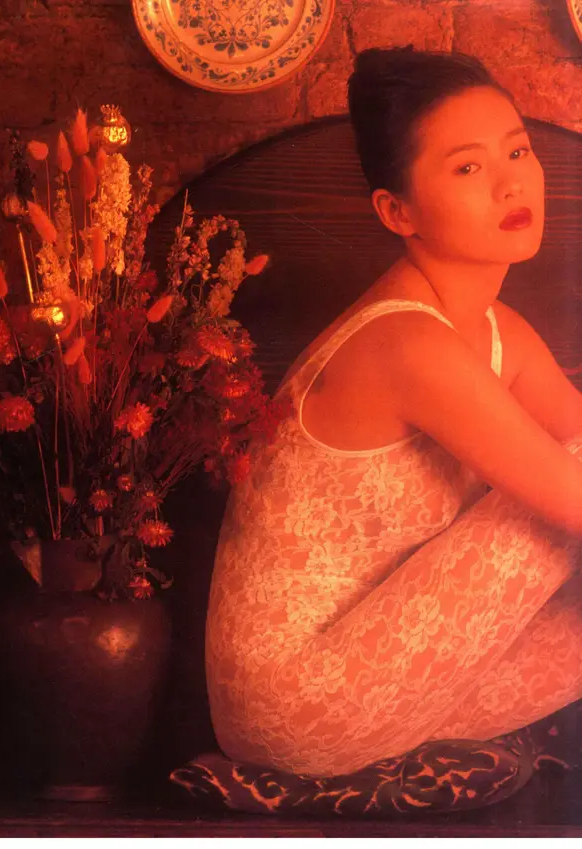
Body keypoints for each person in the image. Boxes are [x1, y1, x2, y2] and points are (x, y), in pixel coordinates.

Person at [205, 47, 582, 779]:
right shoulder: (405, 342)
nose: (511, 182)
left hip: (395, 682)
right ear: (396, 210)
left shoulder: (500, 332)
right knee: (557, 498)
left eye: (518, 151)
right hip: (295, 703)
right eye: (467, 167)